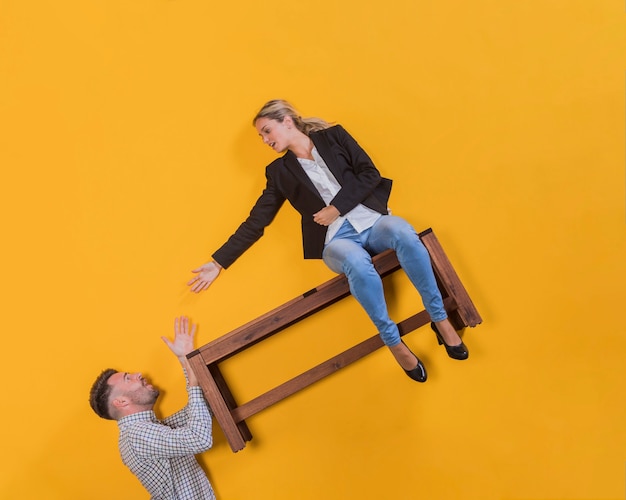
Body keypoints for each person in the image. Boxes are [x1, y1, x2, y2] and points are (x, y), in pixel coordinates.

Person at [187, 99, 469, 383]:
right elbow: (256, 221)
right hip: (335, 240)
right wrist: (218, 263)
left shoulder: (335, 136)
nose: (264, 140)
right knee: (357, 263)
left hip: (372, 221)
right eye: (261, 136)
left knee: (404, 232)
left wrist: (337, 208)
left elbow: (369, 174)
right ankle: (393, 341)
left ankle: (440, 318)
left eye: (267, 131)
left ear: (287, 121)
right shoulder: (279, 172)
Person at [89, 316, 216, 499]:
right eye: (128, 378)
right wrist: (191, 375)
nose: (138, 374)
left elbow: (204, 409)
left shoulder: (150, 428)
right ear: (122, 402)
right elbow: (200, 439)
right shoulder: (137, 435)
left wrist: (185, 359)